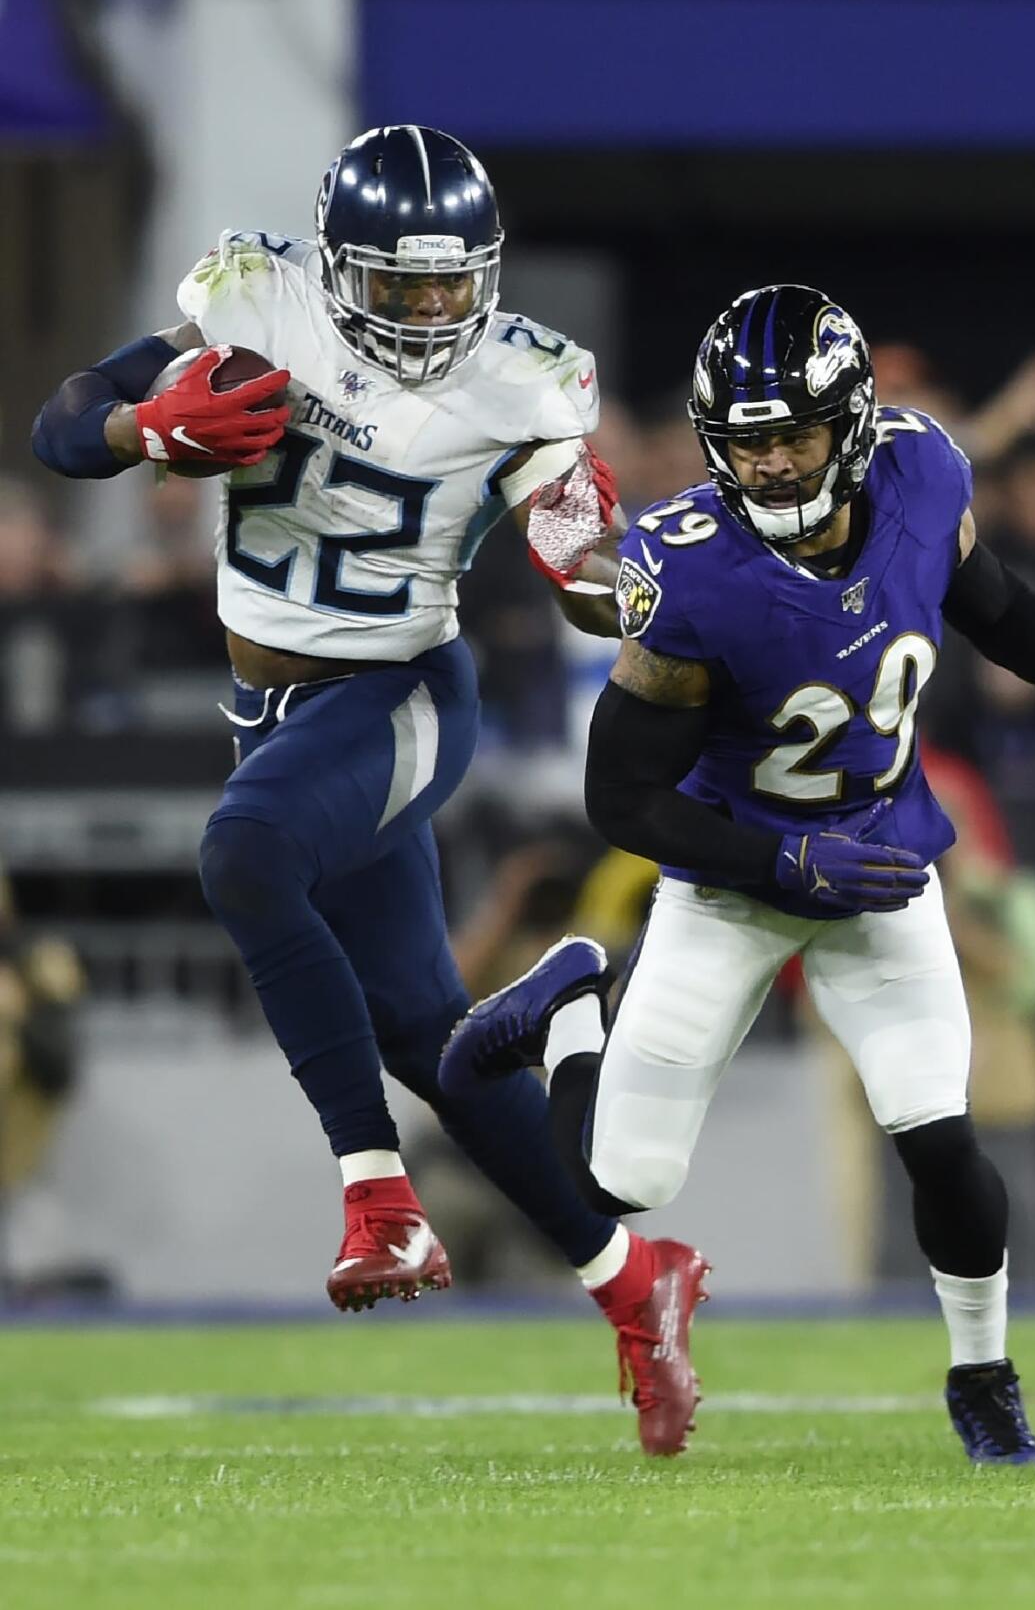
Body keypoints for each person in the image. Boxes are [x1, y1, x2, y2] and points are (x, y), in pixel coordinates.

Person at [30, 123, 705, 1457]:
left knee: (244, 857)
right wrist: (138, 421)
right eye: (400, 285)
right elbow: (64, 429)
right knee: (429, 1035)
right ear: (341, 268)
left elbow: (571, 535)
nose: (428, 311)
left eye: (453, 284)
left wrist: (592, 559)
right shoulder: (258, 295)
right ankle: (636, 1282)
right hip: (272, 705)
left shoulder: (523, 379)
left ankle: (377, 1194)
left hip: (396, 693)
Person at [441, 283, 1035, 1465]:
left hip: (880, 865)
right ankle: (575, 1007)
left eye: (794, 434)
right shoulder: (688, 570)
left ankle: (982, 1377)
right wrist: (785, 854)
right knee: (615, 1184)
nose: (775, 463)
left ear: (852, 423)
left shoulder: (924, 473)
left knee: (939, 1133)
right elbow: (618, 798)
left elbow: (984, 599)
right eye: (748, 442)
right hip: (734, 880)